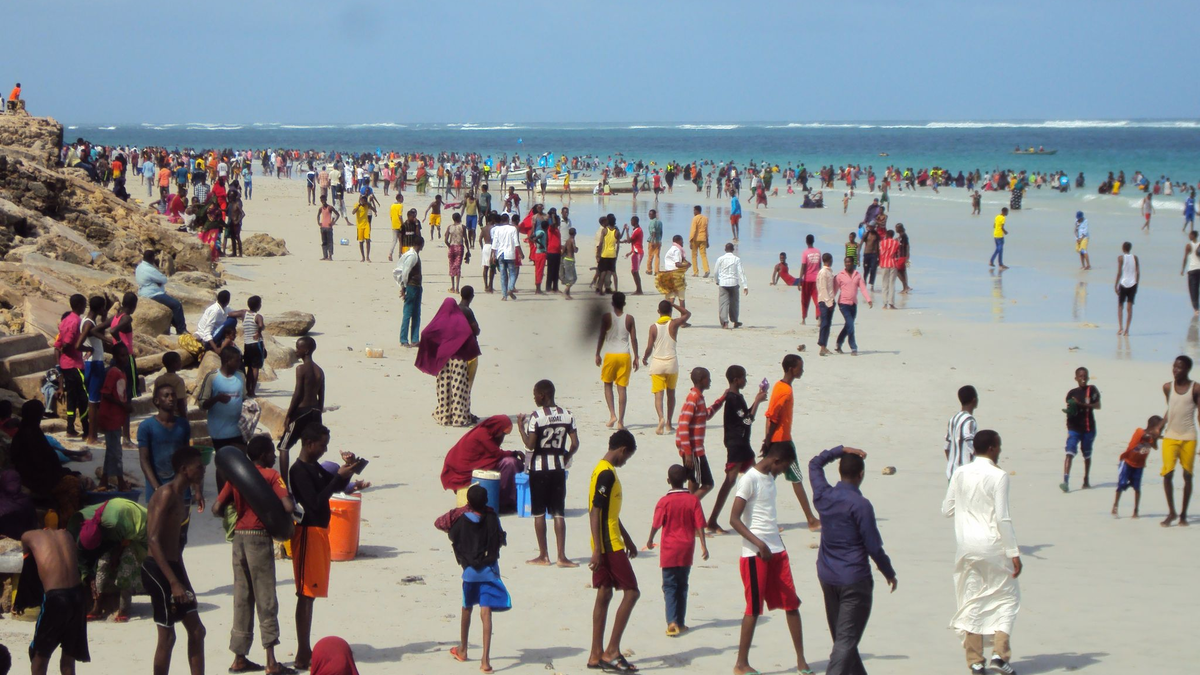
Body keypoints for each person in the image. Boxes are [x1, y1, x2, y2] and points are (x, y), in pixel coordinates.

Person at [809, 446, 896, 675]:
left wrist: (840, 450)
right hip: (854, 581)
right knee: (845, 642)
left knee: (843, 640)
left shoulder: (824, 496)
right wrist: (888, 572)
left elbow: (814, 464)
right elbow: (873, 546)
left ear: (840, 472)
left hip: (828, 577)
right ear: (861, 475)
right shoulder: (861, 505)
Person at [729, 441, 814, 675]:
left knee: (792, 604)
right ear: (776, 461)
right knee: (753, 608)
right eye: (783, 467)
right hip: (755, 554)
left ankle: (801, 661)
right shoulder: (749, 479)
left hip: (777, 550)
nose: (782, 472)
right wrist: (759, 544)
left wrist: (774, 543)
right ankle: (741, 663)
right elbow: (734, 519)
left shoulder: (770, 479)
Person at [212, 436, 295, 675]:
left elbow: (217, 509)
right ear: (267, 454)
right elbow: (287, 507)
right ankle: (271, 661)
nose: (274, 457)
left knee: (242, 596)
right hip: (259, 537)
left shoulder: (237, 478)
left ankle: (239, 657)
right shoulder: (270, 475)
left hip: (238, 537)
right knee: (266, 597)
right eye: (272, 452)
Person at [942, 430, 1021, 675]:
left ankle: (976, 662)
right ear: (993, 448)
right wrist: (1014, 552)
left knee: (972, 599)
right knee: (1007, 598)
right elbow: (1002, 517)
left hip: (967, 547)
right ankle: (1000, 655)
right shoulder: (999, 476)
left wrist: (968, 508)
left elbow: (947, 509)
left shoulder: (960, 472)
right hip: (993, 546)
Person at [290, 424, 361, 670]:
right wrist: (339, 477)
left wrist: (348, 472)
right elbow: (314, 503)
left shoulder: (313, 467)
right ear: (309, 444)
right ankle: (302, 651)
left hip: (319, 533)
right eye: (322, 445)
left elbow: (336, 487)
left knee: (312, 594)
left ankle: (304, 650)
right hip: (308, 533)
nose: (325, 449)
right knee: (306, 594)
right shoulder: (298, 470)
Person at [143, 446, 207, 675]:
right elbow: (152, 539)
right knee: (167, 636)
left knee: (197, 631)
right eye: (199, 466)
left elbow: (176, 547)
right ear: (184, 469)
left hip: (173, 567)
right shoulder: (166, 494)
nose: (203, 469)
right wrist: (173, 582)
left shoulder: (182, 498)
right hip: (157, 570)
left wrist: (185, 582)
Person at [586, 430, 640, 674]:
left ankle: (596, 655)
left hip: (611, 540)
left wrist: (628, 538)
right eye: (627, 457)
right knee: (631, 592)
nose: (625, 461)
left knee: (605, 593)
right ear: (622, 450)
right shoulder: (607, 474)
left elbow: (610, 512)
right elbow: (596, 511)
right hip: (608, 545)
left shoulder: (600, 469)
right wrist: (598, 550)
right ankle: (612, 651)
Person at [446, 484, 511, 673]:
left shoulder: (461, 520)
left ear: (468, 503)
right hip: (489, 571)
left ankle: (463, 649)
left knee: (467, 608)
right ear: (486, 501)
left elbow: (453, 536)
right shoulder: (492, 518)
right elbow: (499, 539)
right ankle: (485, 661)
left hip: (470, 573)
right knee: (486, 613)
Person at [517, 379, 579, 567]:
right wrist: (566, 456)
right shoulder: (568, 415)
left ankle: (544, 555)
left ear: (542, 395)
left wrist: (520, 427)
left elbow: (530, 445)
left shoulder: (536, 417)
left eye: (535, 394)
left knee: (539, 513)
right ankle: (562, 556)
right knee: (559, 513)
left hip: (539, 469)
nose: (534, 397)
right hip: (558, 469)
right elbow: (575, 444)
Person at [644, 464, 708, 637]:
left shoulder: (664, 501)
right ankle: (680, 621)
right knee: (683, 585)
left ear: (668, 481)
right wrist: (703, 545)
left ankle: (672, 622)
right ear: (686, 480)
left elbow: (657, 523)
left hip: (669, 550)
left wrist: (650, 539)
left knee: (670, 585)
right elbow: (700, 524)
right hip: (687, 548)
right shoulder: (693, 500)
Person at [707, 365, 767, 534]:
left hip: (743, 445)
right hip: (736, 445)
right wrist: (758, 402)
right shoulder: (733, 399)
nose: (745, 380)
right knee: (730, 481)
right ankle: (712, 520)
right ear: (736, 380)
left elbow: (744, 416)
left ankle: (759, 520)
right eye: (743, 378)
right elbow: (747, 421)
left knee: (756, 479)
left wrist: (756, 401)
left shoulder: (736, 397)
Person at [764, 354, 821, 531]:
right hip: (783, 443)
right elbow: (773, 417)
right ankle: (811, 520)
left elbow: (769, 416)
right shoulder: (785, 391)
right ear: (791, 369)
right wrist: (769, 441)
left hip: (777, 441)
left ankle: (766, 520)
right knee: (796, 479)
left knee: (768, 480)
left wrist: (767, 440)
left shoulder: (779, 386)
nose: (801, 370)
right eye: (799, 367)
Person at [23, 528, 90, 675]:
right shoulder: (67, 534)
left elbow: (28, 573)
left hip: (56, 598)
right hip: (78, 596)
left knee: (38, 659)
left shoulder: (27, 536)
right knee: (68, 660)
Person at [11, 400, 86, 520]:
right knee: (73, 483)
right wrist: (63, 473)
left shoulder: (28, 433)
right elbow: (40, 466)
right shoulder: (30, 436)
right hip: (37, 481)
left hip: (39, 477)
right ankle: (69, 522)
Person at [416, 296, 482, 427]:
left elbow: (425, 333)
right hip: (459, 358)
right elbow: (469, 335)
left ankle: (444, 416)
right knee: (459, 387)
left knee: (443, 386)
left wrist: (433, 347)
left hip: (443, 359)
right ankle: (459, 417)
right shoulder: (460, 320)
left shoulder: (440, 320)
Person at [440, 416, 524, 512]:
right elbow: (496, 453)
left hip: (473, 463)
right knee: (510, 463)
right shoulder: (482, 435)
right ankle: (504, 501)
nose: (502, 436)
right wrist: (514, 453)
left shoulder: (486, 432)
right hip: (464, 468)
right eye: (503, 433)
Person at [138, 381, 193, 512]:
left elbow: (188, 457)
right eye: (166, 395)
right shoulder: (146, 427)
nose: (171, 399)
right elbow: (144, 460)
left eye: (173, 395)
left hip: (181, 490)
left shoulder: (183, 425)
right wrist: (157, 488)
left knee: (181, 530)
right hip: (156, 488)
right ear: (157, 401)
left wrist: (195, 488)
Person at [676, 367, 724, 508]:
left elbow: (705, 415)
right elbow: (683, 425)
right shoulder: (693, 398)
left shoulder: (698, 397)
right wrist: (688, 453)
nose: (710, 381)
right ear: (702, 380)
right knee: (707, 483)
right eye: (708, 378)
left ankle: (690, 516)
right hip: (694, 450)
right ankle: (686, 508)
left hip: (694, 449)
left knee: (694, 481)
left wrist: (720, 401)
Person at [1160, 355, 1198, 527]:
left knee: (1187, 475)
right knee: (1167, 474)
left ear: (1187, 369)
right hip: (1170, 436)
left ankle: (1183, 514)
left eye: (1179, 367)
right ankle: (1171, 512)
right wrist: (1159, 426)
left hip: (1189, 436)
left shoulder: (1196, 388)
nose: (1175, 370)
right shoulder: (1167, 387)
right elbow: (1171, 410)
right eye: (1174, 367)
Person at [280, 337, 324, 479]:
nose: (296, 351)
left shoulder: (301, 369)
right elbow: (321, 396)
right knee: (308, 447)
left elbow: (298, 393)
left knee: (283, 447)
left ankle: (284, 483)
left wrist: (288, 415)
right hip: (315, 412)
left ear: (306, 350)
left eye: (298, 348)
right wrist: (319, 415)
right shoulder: (320, 371)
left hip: (301, 412)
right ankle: (311, 477)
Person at [643, 300, 689, 435]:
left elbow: (649, 347)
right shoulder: (674, 324)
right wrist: (674, 305)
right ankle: (669, 422)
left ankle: (661, 418)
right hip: (671, 362)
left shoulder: (653, 327)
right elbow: (687, 314)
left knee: (658, 395)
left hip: (657, 362)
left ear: (658, 312)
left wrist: (645, 358)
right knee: (671, 393)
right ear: (670, 311)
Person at [596, 292, 639, 430]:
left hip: (611, 355)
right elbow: (633, 339)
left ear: (612, 303)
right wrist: (636, 357)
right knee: (622, 388)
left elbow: (602, 336)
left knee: (607, 384)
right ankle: (620, 421)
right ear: (624, 303)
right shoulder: (629, 318)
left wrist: (597, 353)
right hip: (624, 355)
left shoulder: (607, 317)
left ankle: (612, 415)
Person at [199, 346, 247, 457]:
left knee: (241, 462)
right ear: (227, 361)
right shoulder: (212, 377)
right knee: (224, 466)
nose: (240, 363)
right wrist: (217, 399)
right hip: (219, 432)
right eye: (237, 360)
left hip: (238, 430)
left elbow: (244, 397)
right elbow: (202, 404)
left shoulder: (241, 376)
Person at [98, 340, 132, 491]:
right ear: (116, 357)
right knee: (115, 452)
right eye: (122, 355)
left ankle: (105, 480)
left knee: (112, 450)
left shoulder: (122, 372)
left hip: (117, 418)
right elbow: (106, 394)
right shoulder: (113, 372)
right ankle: (120, 482)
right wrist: (123, 405)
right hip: (110, 418)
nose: (125, 358)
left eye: (126, 355)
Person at [1113, 416, 1163, 518]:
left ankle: (1136, 510)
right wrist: (1154, 437)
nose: (1160, 431)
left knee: (1137, 488)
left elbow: (1155, 447)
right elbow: (1145, 436)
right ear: (1152, 427)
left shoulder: (1151, 438)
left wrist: (1156, 438)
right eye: (1159, 428)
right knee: (1121, 484)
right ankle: (1115, 505)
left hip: (1139, 465)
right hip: (1127, 461)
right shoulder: (1140, 432)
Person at [1061, 367, 1100, 492]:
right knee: (1069, 452)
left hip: (1088, 428)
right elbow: (1070, 409)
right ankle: (1065, 481)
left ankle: (1086, 479)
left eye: (1085, 376)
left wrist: (1082, 405)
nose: (1083, 378)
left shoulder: (1092, 390)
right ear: (1076, 378)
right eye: (1080, 376)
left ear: (1088, 377)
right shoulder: (1071, 393)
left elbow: (1098, 405)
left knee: (1087, 454)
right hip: (1074, 428)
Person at [80, 295, 110, 447]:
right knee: (93, 401)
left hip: (92, 363)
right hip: (95, 363)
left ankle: (93, 434)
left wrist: (104, 317)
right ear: (99, 308)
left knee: (94, 400)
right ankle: (92, 437)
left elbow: (99, 334)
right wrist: (89, 349)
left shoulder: (88, 321)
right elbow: (79, 344)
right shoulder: (88, 324)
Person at [136, 251, 187, 335]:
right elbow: (164, 279)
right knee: (177, 305)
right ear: (152, 258)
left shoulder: (139, 267)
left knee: (171, 308)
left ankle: (178, 327)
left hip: (143, 291)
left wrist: (156, 281)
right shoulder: (150, 269)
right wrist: (158, 282)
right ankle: (181, 329)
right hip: (153, 294)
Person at [834, 256, 873, 355]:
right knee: (851, 324)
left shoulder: (857, 275)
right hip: (843, 304)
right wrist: (830, 300)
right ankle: (853, 348)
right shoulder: (840, 275)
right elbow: (835, 289)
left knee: (848, 325)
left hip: (853, 304)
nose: (847, 264)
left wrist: (868, 299)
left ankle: (838, 343)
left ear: (852, 263)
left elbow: (863, 288)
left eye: (849, 262)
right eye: (846, 262)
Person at [394, 236, 425, 346]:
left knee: (416, 313)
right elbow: (405, 272)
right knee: (408, 313)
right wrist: (404, 287)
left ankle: (415, 339)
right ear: (421, 245)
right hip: (412, 287)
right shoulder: (412, 256)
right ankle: (403, 340)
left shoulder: (413, 255)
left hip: (416, 287)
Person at [946, 385, 979, 480]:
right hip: (965, 474)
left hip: (952, 472)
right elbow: (969, 443)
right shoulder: (969, 420)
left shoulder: (953, 419)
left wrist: (953, 462)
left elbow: (946, 447)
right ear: (974, 400)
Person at [714, 243, 749, 328]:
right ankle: (735, 320)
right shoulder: (737, 259)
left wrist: (717, 281)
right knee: (734, 303)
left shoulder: (720, 259)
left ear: (725, 249)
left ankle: (725, 322)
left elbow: (715, 271)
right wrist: (745, 285)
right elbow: (741, 272)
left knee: (723, 304)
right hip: (734, 283)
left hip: (723, 283)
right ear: (733, 249)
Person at [491, 214, 521, 301]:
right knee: (512, 273)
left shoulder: (498, 230)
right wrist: (520, 253)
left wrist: (493, 255)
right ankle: (510, 288)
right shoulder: (513, 229)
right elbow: (516, 242)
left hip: (500, 254)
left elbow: (494, 244)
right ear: (508, 219)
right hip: (510, 254)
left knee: (503, 275)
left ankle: (504, 296)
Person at [655, 234, 690, 307]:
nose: (683, 243)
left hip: (669, 276)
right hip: (676, 276)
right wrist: (687, 265)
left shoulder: (672, 249)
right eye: (682, 241)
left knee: (671, 297)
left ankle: (667, 315)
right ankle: (683, 315)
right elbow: (677, 264)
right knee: (681, 298)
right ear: (678, 241)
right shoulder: (676, 250)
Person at [1115, 241, 1139, 336]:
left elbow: (1119, 273)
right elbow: (1138, 272)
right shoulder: (1135, 258)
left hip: (1124, 283)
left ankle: (1120, 328)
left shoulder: (1120, 258)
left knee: (1120, 306)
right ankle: (1127, 330)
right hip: (1133, 284)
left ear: (1123, 248)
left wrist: (1115, 284)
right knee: (1130, 308)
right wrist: (1136, 284)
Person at [1181, 230, 1200, 316]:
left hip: (1192, 270)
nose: (1189, 236)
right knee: (1197, 288)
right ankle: (1196, 307)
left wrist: (1182, 269)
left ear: (1193, 236)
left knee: (1193, 289)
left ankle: (1196, 308)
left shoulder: (1188, 245)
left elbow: (1185, 258)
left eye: (1190, 235)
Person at [688, 206, 710, 278]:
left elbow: (693, 230)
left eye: (694, 211)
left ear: (697, 211)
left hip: (695, 239)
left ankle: (696, 272)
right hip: (703, 238)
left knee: (694, 256)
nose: (693, 212)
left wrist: (690, 240)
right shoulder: (705, 218)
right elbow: (706, 230)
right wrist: (707, 240)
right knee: (703, 255)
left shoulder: (695, 219)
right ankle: (706, 270)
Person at [352, 194, 374, 262]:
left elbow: (374, 209)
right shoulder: (356, 205)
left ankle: (367, 257)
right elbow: (353, 212)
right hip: (359, 226)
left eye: (365, 199)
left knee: (368, 240)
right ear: (360, 200)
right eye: (362, 199)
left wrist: (370, 205)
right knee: (361, 242)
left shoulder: (367, 205)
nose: (364, 201)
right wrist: (359, 205)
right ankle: (363, 257)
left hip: (366, 224)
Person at [317, 196, 339, 261]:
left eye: (323, 200)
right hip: (323, 227)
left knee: (330, 242)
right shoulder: (321, 208)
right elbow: (318, 215)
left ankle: (330, 256)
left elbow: (337, 214)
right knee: (324, 242)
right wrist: (318, 222)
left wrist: (333, 222)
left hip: (328, 227)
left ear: (326, 200)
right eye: (321, 200)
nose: (322, 201)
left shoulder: (330, 207)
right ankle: (325, 256)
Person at [644, 209, 663, 275]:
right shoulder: (660, 222)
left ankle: (649, 270)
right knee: (657, 256)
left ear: (654, 215)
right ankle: (656, 271)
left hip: (653, 240)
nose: (649, 215)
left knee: (650, 256)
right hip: (658, 241)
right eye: (649, 214)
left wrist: (652, 241)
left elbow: (653, 232)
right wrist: (660, 240)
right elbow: (661, 232)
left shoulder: (652, 222)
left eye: (651, 214)